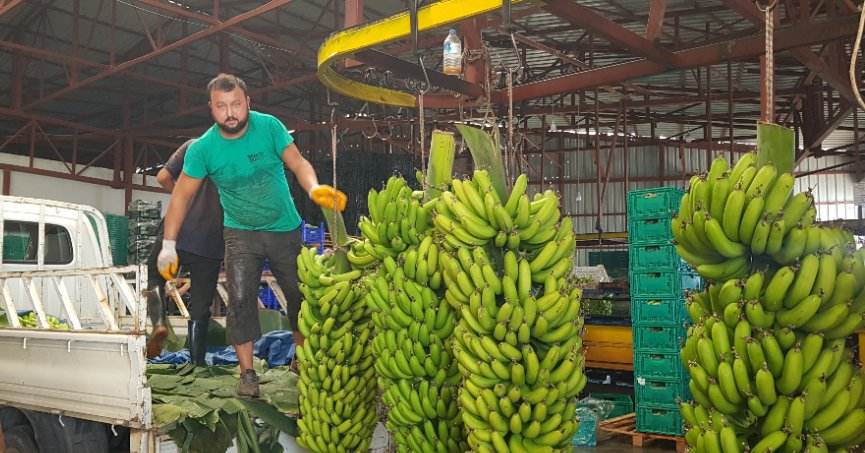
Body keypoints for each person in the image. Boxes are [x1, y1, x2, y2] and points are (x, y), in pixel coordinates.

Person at [158, 73, 346, 398]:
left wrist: (314, 188)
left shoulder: (269, 127)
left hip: (284, 227)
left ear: (247, 102)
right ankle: (248, 374)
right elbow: (180, 198)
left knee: (300, 296)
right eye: (221, 106)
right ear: (211, 108)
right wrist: (169, 246)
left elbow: (299, 163)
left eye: (235, 104)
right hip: (240, 232)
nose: (229, 112)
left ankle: (301, 361)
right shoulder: (203, 149)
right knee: (240, 301)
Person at [145, 138, 225, 365]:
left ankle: (159, 323)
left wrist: (183, 198)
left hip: (177, 230)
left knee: (154, 276)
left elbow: (162, 177)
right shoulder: (236, 157)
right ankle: (197, 362)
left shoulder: (194, 145)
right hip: (211, 241)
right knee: (201, 306)